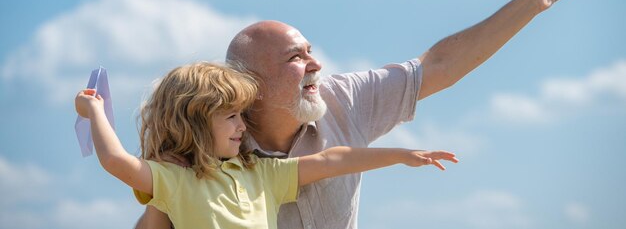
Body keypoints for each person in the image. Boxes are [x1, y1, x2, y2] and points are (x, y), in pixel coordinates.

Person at [136, 0, 566, 229]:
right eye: (295, 57)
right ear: (251, 85)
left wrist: (528, 4)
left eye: (311, 51)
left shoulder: (346, 97)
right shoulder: (212, 143)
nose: (315, 64)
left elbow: (436, 66)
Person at [75, 62, 458, 229]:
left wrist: (403, 155)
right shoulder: (174, 179)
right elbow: (116, 160)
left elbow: (331, 159)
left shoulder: (262, 173)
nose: (243, 126)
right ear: (194, 120)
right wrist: (95, 111)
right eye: (231, 116)